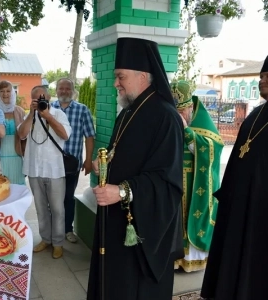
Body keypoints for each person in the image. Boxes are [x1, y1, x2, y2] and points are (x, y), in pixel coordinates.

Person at [87, 37, 184, 300]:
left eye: (121, 77)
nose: (116, 83)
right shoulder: (127, 112)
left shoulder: (166, 117)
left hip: (142, 229)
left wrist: (121, 192)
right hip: (116, 220)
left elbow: (167, 180)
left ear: (143, 75)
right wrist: (104, 166)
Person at [201, 53, 268, 300]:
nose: (263, 81)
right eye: (261, 76)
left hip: (267, 211)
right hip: (238, 204)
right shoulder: (254, 115)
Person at [170, 80, 223, 273]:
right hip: (174, 179)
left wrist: (188, 132)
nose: (180, 117)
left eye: (182, 112)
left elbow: (214, 147)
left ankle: (191, 260)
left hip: (195, 181)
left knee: (190, 218)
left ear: (190, 107)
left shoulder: (202, 119)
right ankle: (174, 258)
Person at [18, 86, 71, 259]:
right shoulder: (30, 116)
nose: (39, 100)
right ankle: (45, 239)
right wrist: (31, 114)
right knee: (41, 208)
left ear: (48, 98)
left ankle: (58, 243)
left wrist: (47, 115)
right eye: (35, 98)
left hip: (55, 169)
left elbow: (65, 135)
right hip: (34, 169)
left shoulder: (58, 114)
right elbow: (22, 134)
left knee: (57, 209)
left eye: (42, 98)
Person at [51, 78, 95, 243]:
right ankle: (53, 230)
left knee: (68, 197)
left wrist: (88, 160)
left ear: (73, 91)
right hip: (51, 164)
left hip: (72, 164)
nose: (64, 91)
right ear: (56, 90)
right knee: (52, 198)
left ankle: (68, 229)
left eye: (67, 88)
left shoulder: (82, 110)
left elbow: (89, 136)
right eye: (61, 88)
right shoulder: (49, 109)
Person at [0, 80, 26, 184]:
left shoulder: (19, 111)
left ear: (12, 93)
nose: (5, 94)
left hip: (16, 152)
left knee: (17, 183)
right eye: (2, 91)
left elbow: (25, 135)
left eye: (8, 91)